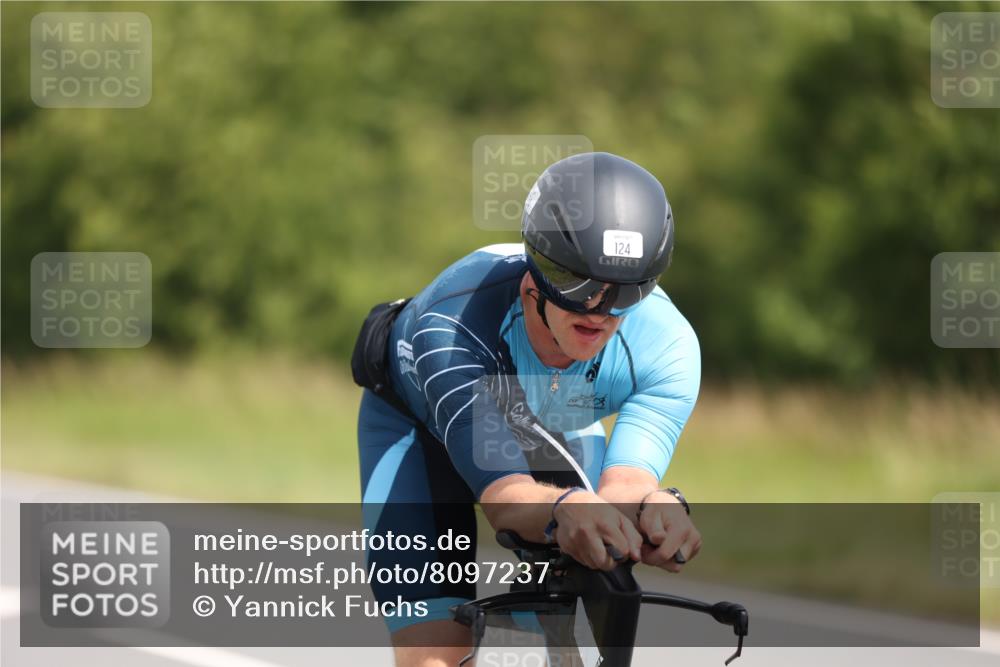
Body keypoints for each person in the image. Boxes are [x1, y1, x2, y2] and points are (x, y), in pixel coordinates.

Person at [355, 152, 702, 667]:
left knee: (552, 627)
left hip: (550, 424)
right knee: (434, 653)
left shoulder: (667, 346)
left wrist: (651, 509)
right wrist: (565, 509)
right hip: (417, 428)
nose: (600, 310)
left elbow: (623, 487)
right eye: (578, 284)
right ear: (536, 274)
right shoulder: (452, 326)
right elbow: (507, 498)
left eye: (628, 291)